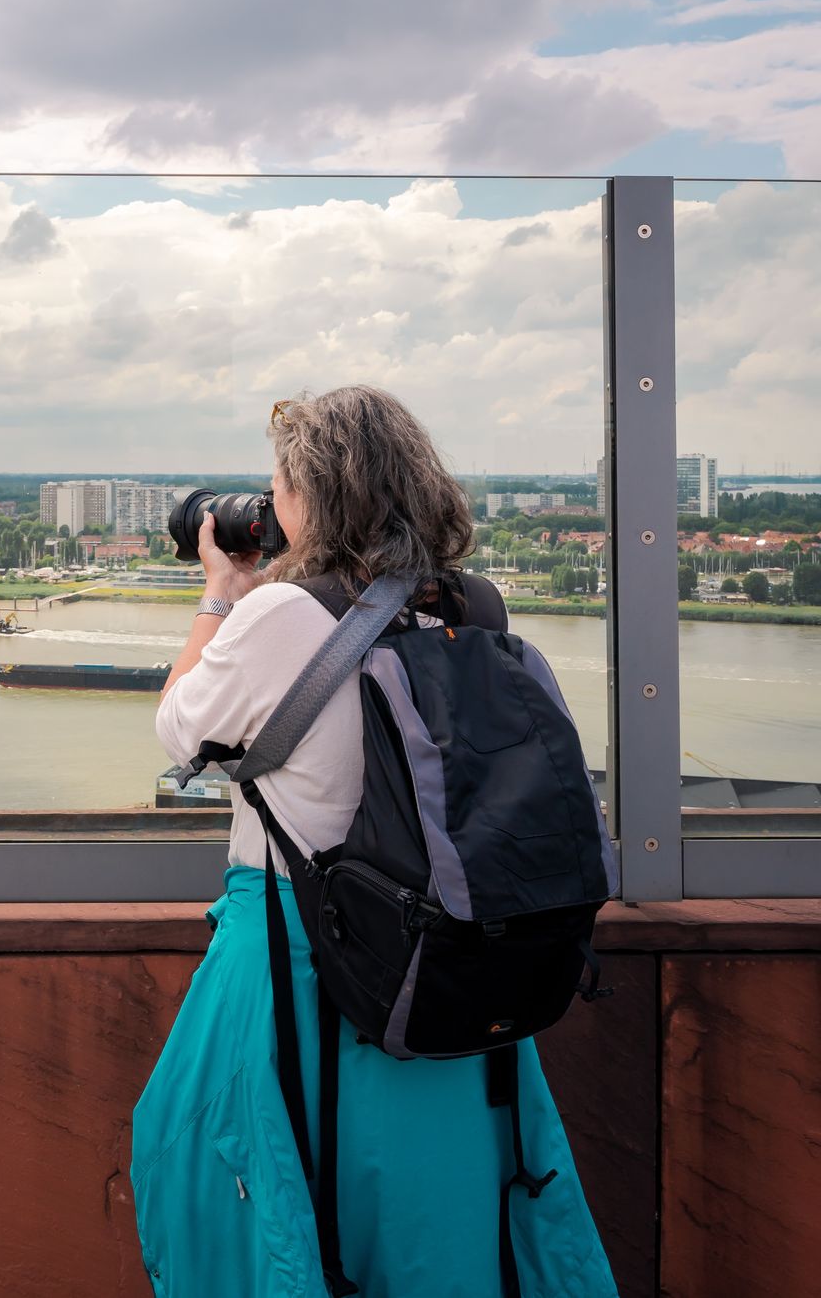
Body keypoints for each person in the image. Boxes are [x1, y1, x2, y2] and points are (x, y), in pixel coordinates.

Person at [129, 385, 616, 1298]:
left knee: (220, 1162)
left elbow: (180, 727)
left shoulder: (286, 614)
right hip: (453, 967)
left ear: (313, 494)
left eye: (278, 484)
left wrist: (222, 592)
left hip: (307, 962)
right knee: (438, 1221)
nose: (268, 505)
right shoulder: (476, 606)